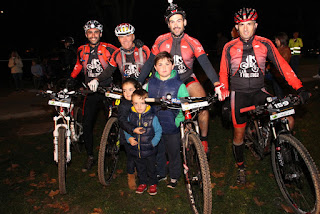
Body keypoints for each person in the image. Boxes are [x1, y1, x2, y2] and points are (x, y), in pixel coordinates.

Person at [219, 8, 310, 185]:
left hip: (260, 91)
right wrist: (223, 89)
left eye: (249, 24)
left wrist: (299, 88)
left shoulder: (265, 43)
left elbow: (283, 67)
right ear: (237, 27)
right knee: (238, 135)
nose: (246, 29)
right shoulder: (229, 47)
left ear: (256, 25)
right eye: (242, 25)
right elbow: (223, 72)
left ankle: (284, 150)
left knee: (288, 119)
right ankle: (241, 167)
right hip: (240, 95)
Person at [137, 0, 225, 154]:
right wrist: (139, 82)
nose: (176, 24)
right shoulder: (160, 40)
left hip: (186, 78)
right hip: (165, 80)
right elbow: (150, 62)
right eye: (172, 21)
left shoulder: (193, 42)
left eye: (179, 20)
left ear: (185, 22)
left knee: (203, 104)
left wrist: (217, 84)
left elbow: (205, 63)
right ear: (168, 24)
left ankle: (203, 140)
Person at [68, 20, 117, 172]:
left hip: (107, 90)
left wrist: (138, 45)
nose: (93, 35)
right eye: (90, 32)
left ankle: (112, 148)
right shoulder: (81, 49)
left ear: (100, 34)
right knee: (87, 124)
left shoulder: (109, 48)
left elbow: (122, 55)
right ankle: (90, 156)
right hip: (90, 92)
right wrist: (71, 77)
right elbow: (78, 65)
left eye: (96, 32)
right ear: (86, 34)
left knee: (113, 122)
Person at [146, 51, 189, 188]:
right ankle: (161, 173)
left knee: (173, 152)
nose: (164, 67)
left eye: (167, 64)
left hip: (172, 125)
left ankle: (174, 176)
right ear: (155, 67)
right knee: (158, 151)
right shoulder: (150, 84)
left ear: (173, 66)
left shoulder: (179, 85)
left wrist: (180, 120)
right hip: (156, 125)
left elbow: (186, 105)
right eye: (160, 64)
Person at [124, 89, 162, 196]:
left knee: (151, 168)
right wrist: (129, 138)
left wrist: (153, 143)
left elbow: (159, 131)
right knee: (140, 168)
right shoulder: (130, 117)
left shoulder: (152, 117)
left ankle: (153, 183)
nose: (139, 106)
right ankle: (142, 183)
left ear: (147, 103)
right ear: (132, 103)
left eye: (142, 103)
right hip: (136, 150)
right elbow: (126, 129)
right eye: (136, 103)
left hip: (149, 150)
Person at [118, 78, 144, 190]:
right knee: (131, 157)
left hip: (140, 135)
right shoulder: (124, 105)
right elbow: (122, 121)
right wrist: (132, 130)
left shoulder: (140, 102)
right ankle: (131, 176)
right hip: (127, 135)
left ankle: (141, 172)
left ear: (137, 89)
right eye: (124, 91)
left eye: (130, 90)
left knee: (140, 155)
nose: (127, 93)